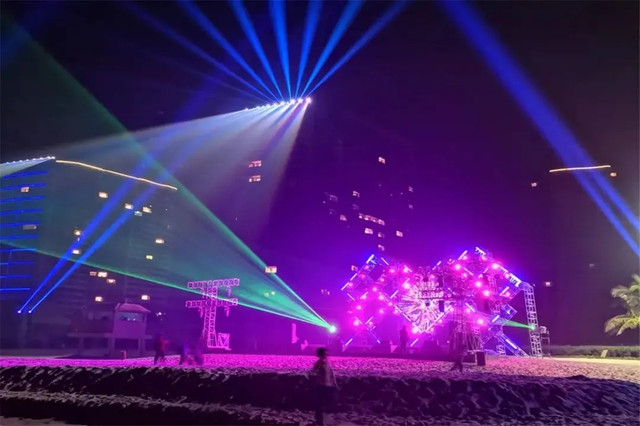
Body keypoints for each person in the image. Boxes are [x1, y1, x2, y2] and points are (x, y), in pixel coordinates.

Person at [311, 347, 338, 425]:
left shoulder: (327, 363)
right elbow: (313, 372)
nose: (326, 355)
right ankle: (320, 420)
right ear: (320, 355)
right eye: (324, 354)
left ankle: (324, 418)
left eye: (326, 353)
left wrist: (335, 384)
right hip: (321, 386)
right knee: (320, 404)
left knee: (331, 401)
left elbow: (332, 374)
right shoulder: (319, 363)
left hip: (328, 386)